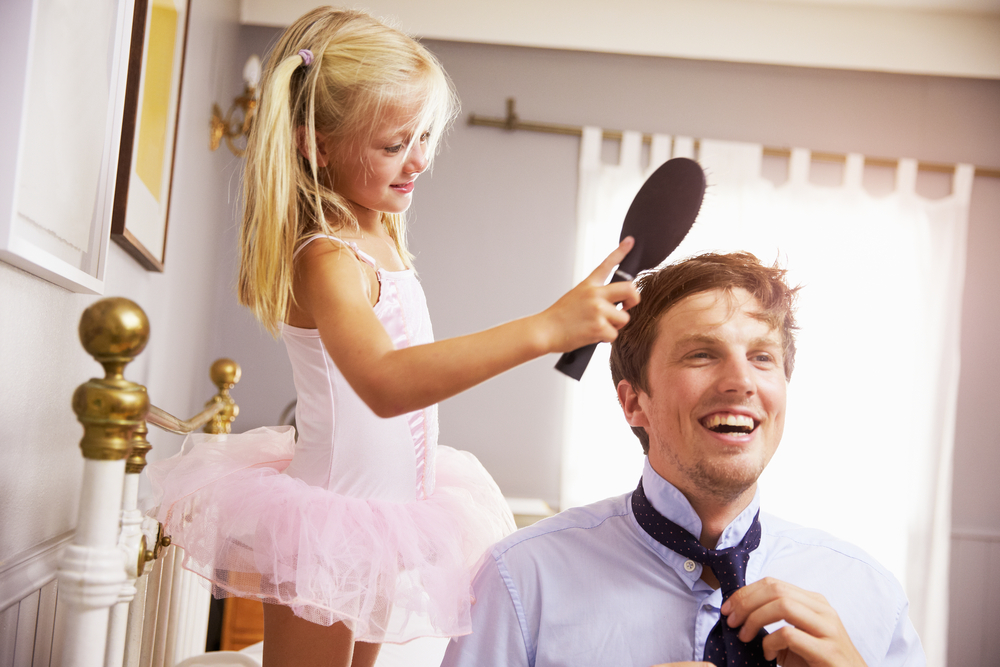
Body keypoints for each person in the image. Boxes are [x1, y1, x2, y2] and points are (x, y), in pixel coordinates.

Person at [144, 8, 639, 667]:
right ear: (316, 146)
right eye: (395, 144)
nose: (420, 160)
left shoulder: (380, 238)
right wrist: (545, 328)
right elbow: (383, 382)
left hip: (390, 519)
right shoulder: (325, 258)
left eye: (424, 137)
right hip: (328, 519)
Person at [440, 251, 925, 667]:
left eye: (762, 357)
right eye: (701, 354)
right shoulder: (521, 580)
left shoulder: (869, 593)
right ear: (633, 403)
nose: (741, 381)